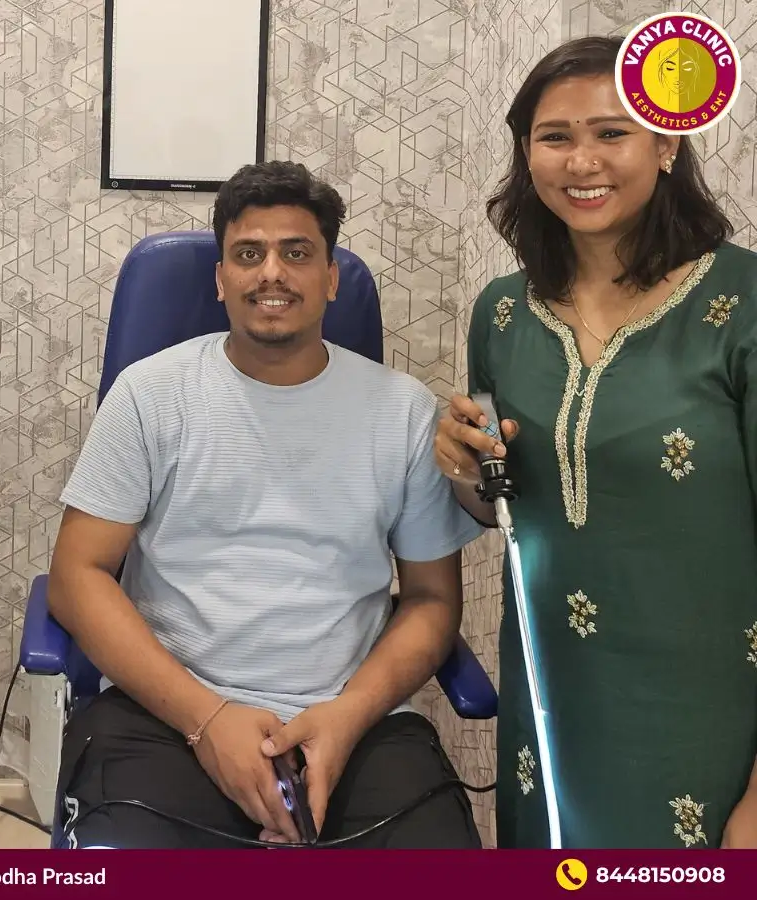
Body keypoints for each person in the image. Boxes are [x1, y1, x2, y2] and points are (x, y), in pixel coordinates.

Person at [46, 160, 485, 849]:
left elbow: (432, 600)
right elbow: (77, 578)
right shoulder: (150, 394)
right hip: (168, 716)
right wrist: (207, 719)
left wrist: (343, 719)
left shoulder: (402, 412)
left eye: (297, 253)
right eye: (248, 254)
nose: (272, 272)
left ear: (332, 277)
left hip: (354, 723)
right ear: (221, 280)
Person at [434, 36, 757, 849]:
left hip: (710, 722)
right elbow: (507, 509)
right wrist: (465, 472)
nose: (583, 161)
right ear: (525, 152)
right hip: (553, 709)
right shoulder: (503, 314)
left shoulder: (742, 304)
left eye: (612, 132)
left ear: (666, 141)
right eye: (555, 137)